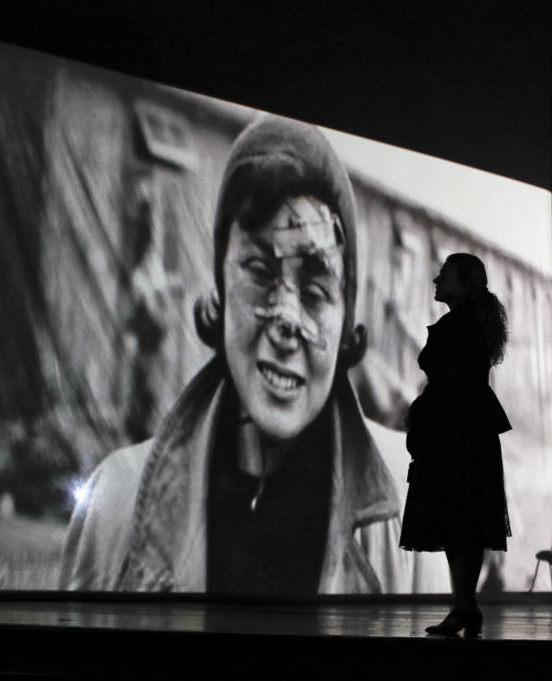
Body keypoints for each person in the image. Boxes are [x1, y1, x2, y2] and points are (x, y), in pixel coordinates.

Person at [59, 114, 448, 595]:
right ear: (220, 286)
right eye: (260, 272)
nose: (285, 322)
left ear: (346, 316)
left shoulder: (415, 504)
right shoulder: (115, 505)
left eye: (315, 290)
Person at [400, 253, 512, 635]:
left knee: (458, 518)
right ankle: (464, 607)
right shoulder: (470, 324)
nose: (436, 279)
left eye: (444, 276)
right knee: (464, 520)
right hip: (466, 428)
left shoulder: (459, 326)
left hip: (456, 430)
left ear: (465, 285)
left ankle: (464, 606)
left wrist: (422, 413)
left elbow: (450, 383)